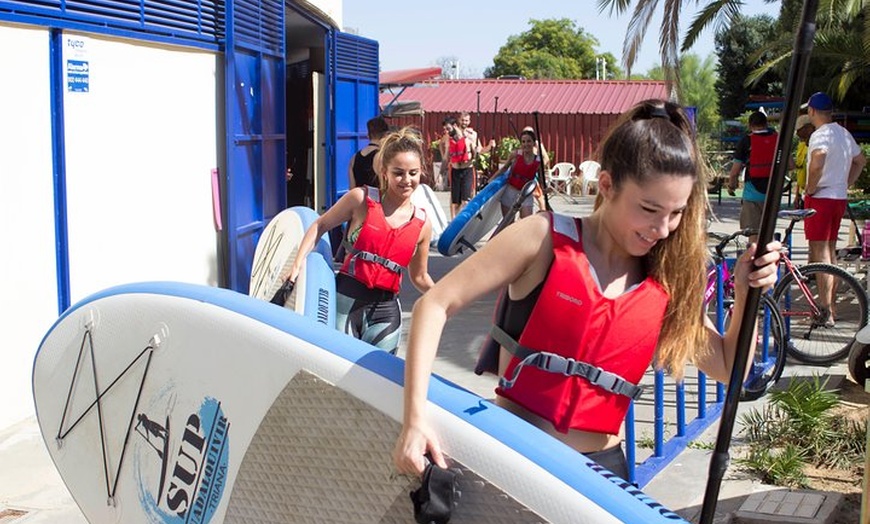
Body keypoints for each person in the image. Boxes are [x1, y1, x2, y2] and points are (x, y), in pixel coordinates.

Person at [392, 99, 781, 480]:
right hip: (516, 463)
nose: (662, 229)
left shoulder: (665, 276)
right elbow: (434, 304)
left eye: (675, 213)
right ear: (607, 185)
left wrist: (748, 292)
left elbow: (728, 368)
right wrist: (414, 419)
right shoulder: (543, 237)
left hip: (602, 473)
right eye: (648, 209)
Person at [287, 127, 436, 354]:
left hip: (386, 311)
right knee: (340, 375)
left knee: (378, 380)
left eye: (413, 173)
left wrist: (444, 298)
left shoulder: (423, 224)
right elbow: (320, 225)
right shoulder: (361, 200)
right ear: (384, 172)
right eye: (398, 173)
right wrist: (296, 266)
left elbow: (419, 276)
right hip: (346, 302)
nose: (406, 180)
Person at [803, 91, 867, 324]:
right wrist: (846, 182)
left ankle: (825, 310)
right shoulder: (843, 133)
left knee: (821, 256)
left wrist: (810, 188)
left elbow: (818, 161)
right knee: (830, 252)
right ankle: (831, 308)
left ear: (811, 111)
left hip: (821, 198)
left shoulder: (820, 135)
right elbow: (861, 160)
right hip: (838, 197)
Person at [727, 111, 778, 244]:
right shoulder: (777, 139)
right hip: (772, 193)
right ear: (766, 124)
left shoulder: (746, 140)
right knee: (768, 234)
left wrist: (731, 186)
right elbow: (790, 164)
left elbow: (735, 171)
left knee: (753, 236)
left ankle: (754, 263)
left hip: (752, 195)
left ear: (750, 126)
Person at [492, 128, 542, 219]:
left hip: (526, 194)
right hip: (510, 191)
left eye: (529, 141)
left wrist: (544, 189)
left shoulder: (538, 160)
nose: (526, 144)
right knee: (508, 223)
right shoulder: (515, 154)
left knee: (525, 223)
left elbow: (541, 176)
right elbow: (504, 169)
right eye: (523, 142)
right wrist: (490, 181)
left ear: (534, 143)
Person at [443, 115, 476, 218]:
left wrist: (473, 156)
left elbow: (476, 152)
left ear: (455, 126)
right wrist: (440, 174)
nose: (447, 132)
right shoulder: (449, 139)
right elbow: (445, 156)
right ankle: (454, 222)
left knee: (466, 201)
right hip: (455, 171)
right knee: (455, 202)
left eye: (448, 129)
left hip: (467, 170)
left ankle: (464, 221)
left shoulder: (469, 137)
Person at [349, 116, 390, 189]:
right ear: (386, 135)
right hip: (377, 200)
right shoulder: (382, 157)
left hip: (359, 199)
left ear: (368, 135)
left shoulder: (354, 158)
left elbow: (352, 189)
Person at [792, 114, 815, 206]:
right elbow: (800, 170)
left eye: (799, 130)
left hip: (814, 193)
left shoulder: (817, 146)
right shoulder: (802, 145)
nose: (797, 133)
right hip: (804, 193)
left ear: (809, 128)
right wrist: (797, 194)